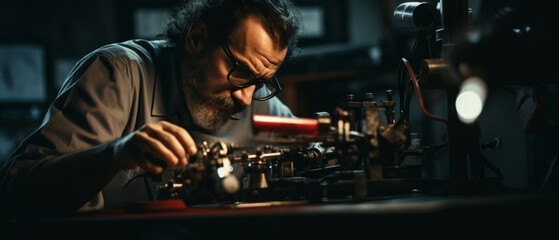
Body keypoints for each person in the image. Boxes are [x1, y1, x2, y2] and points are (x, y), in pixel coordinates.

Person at [0, 0, 300, 218]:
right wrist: (116, 154)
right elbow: (14, 192)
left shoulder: (260, 100)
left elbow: (315, 152)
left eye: (260, 82)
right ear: (198, 38)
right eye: (240, 71)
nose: (246, 98)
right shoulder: (117, 72)